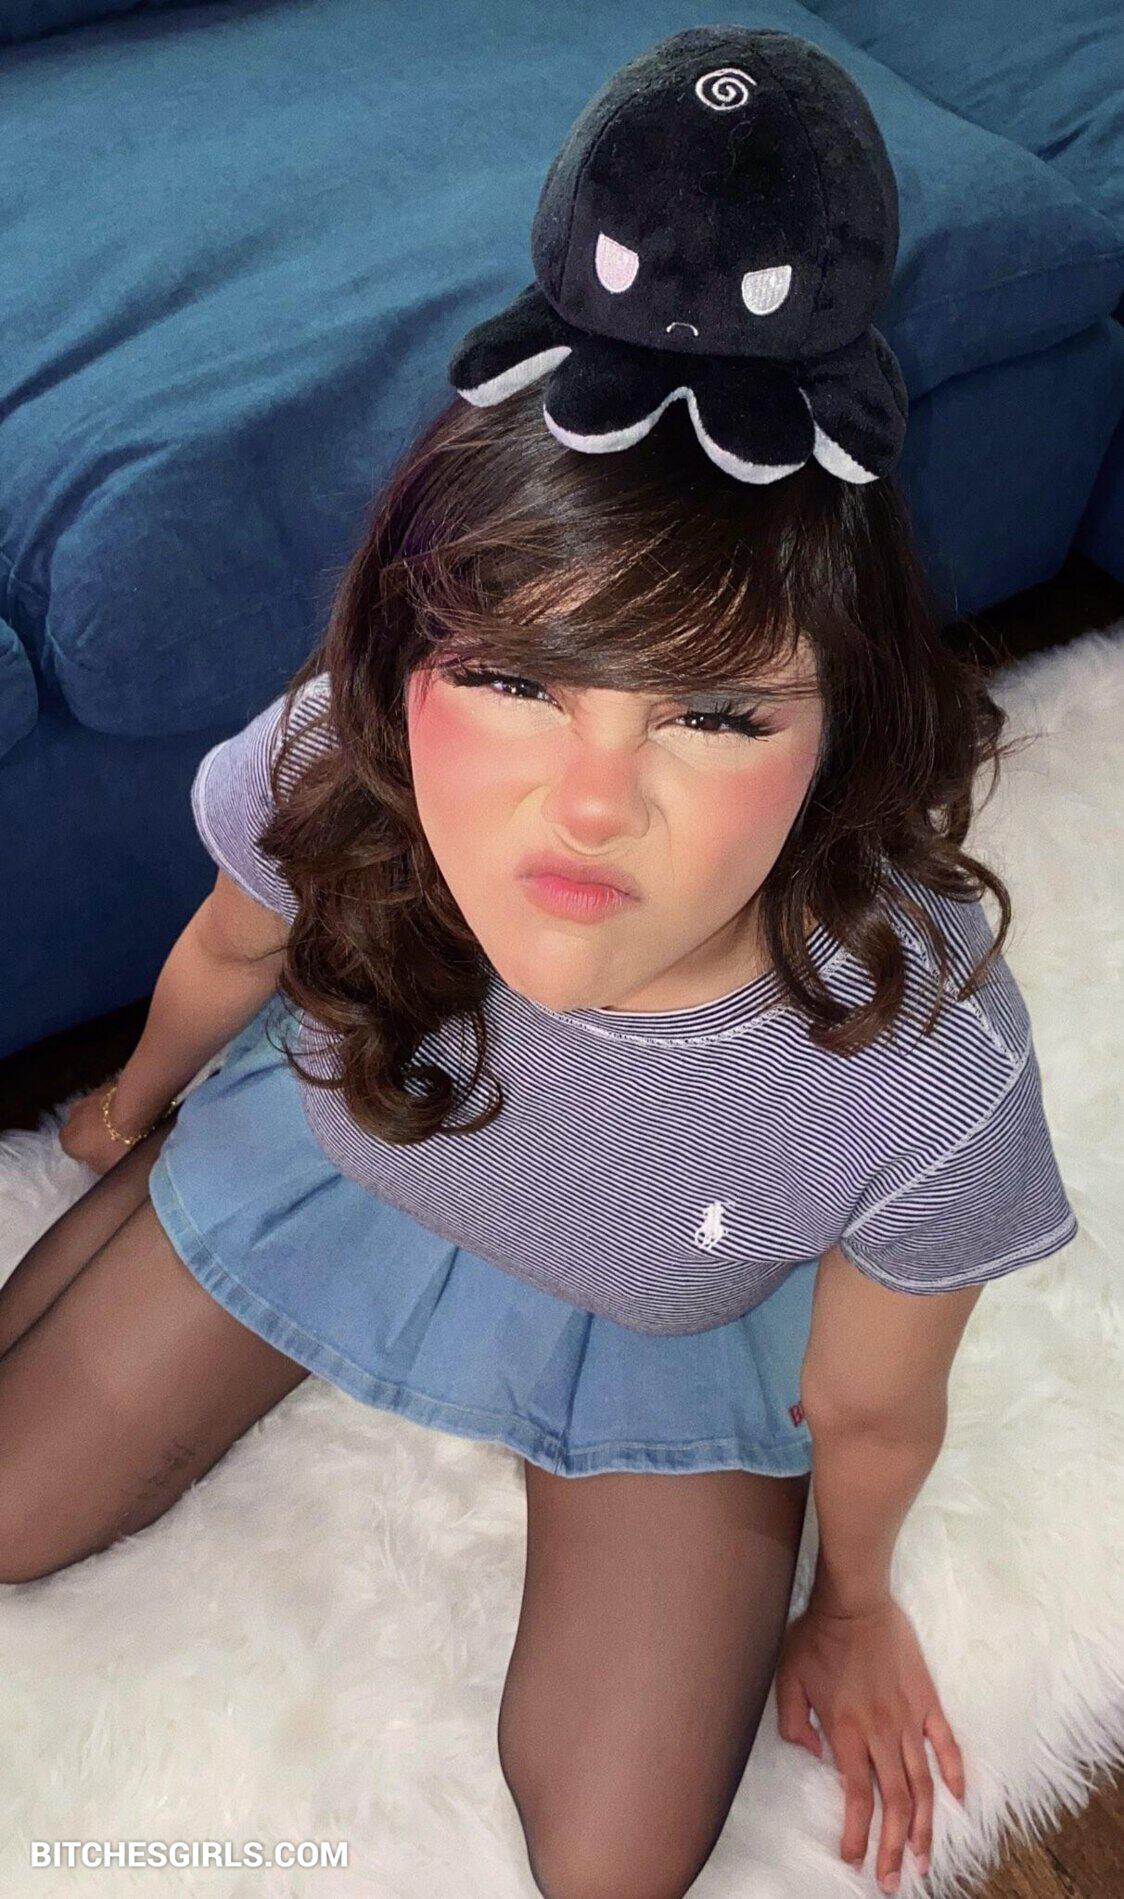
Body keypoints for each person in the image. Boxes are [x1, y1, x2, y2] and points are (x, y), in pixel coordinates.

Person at [0, 28, 1079, 1899]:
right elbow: (231, 938)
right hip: (348, 1154)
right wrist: (126, 1106)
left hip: (663, 1313)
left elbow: (874, 1398)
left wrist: (858, 1602)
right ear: (406, 652)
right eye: (512, 679)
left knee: (617, 1862)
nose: (590, 805)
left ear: (848, 726)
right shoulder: (346, 758)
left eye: (714, 715)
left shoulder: (918, 1051)